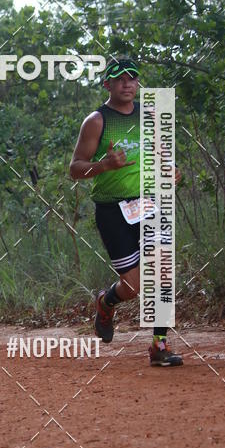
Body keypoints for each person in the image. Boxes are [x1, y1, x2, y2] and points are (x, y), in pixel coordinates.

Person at [69, 56, 183, 367]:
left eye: (132, 77)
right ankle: (106, 303)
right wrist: (103, 165)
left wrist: (172, 171)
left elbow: (164, 159)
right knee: (133, 286)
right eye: (119, 78)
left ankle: (159, 345)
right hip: (112, 210)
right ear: (107, 84)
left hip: (148, 203)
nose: (127, 83)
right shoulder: (96, 121)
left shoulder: (149, 116)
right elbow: (75, 169)